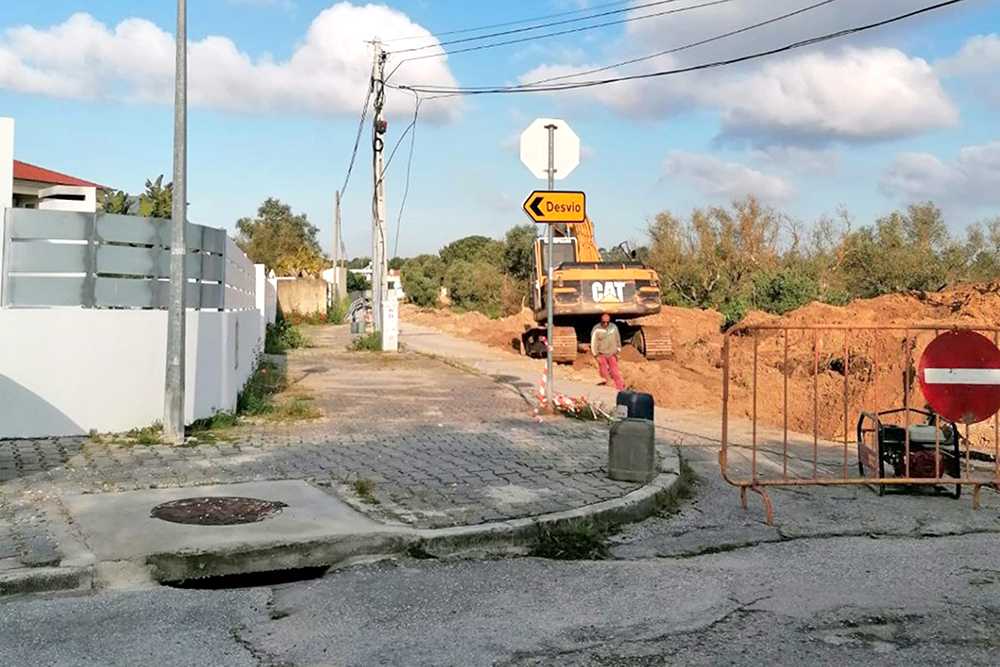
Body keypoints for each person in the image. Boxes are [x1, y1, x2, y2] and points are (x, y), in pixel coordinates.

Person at [590, 313, 625, 391]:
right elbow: (593, 342)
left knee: (615, 373)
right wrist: (596, 355)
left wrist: (618, 349)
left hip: (612, 354)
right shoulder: (596, 329)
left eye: (607, 322)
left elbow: (617, 338)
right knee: (603, 373)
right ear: (601, 321)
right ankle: (605, 389)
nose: (605, 324)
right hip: (602, 354)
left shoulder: (614, 328)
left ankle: (620, 388)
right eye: (604, 322)